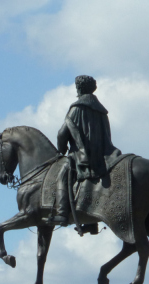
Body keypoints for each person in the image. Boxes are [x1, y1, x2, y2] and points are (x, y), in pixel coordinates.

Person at [49, 75, 121, 226]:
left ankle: (62, 213)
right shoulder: (102, 111)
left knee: (62, 175)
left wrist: (61, 151)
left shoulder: (77, 108)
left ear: (79, 88)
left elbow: (62, 133)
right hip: (104, 155)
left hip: (81, 155)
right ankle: (90, 223)